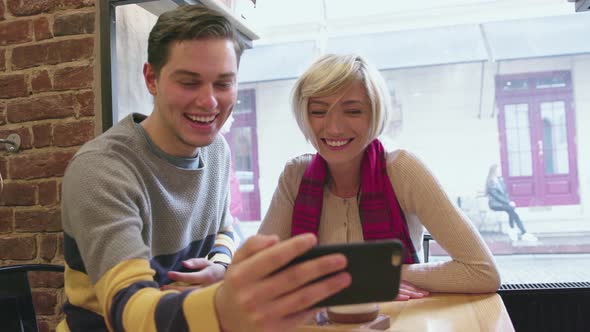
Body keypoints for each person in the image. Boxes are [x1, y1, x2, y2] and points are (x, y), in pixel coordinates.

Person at [58, 6, 351, 332]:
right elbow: (129, 310)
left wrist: (221, 265)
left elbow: (225, 228)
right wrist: (221, 307)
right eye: (189, 82)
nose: (209, 101)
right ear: (152, 79)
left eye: (223, 84)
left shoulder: (216, 152)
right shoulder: (101, 169)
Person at [258, 54, 501, 299]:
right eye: (319, 112)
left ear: (375, 114)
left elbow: (482, 272)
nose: (334, 128)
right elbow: (256, 274)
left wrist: (379, 278)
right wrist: (362, 280)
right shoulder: (295, 176)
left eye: (353, 111)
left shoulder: (403, 170)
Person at [486, 164, 538, 242]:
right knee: (511, 209)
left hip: (503, 203)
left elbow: (505, 194)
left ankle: (517, 230)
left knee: (512, 211)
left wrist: (509, 202)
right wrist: (508, 202)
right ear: (494, 171)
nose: (500, 172)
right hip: (495, 204)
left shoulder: (500, 180)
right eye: (498, 170)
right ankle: (519, 231)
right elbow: (496, 196)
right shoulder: (490, 182)